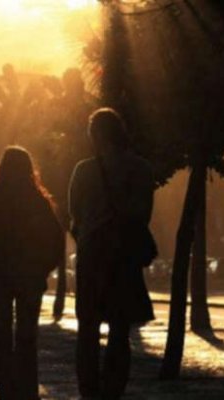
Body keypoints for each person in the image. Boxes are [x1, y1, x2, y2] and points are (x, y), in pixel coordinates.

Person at [0, 146, 64, 400]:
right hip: (29, 278)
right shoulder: (38, 200)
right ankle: (28, 388)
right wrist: (43, 268)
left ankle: (5, 387)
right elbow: (55, 239)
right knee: (28, 335)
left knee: (1, 335)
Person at [69, 108, 155, 399]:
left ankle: (89, 392)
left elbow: (75, 217)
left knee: (88, 330)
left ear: (94, 136)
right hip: (124, 260)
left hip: (92, 257)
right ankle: (113, 392)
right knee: (120, 330)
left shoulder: (83, 170)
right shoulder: (142, 169)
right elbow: (144, 214)